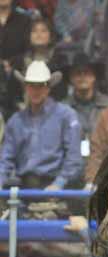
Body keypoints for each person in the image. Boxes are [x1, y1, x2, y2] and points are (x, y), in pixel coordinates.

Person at [0, 61, 82, 214]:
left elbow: (74, 159)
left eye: (41, 85)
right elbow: (5, 159)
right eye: (31, 85)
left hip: (56, 190)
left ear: (48, 87)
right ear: (25, 87)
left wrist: (58, 184)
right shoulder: (15, 121)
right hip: (22, 190)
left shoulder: (66, 116)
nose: (36, 90)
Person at [65, 52, 108, 161]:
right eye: (78, 73)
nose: (82, 77)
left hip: (102, 162)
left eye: (86, 73)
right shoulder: (63, 109)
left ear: (94, 77)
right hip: (72, 163)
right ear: (71, 78)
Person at [11, 16, 69, 103]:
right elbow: (13, 92)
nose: (38, 34)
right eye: (34, 31)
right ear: (29, 35)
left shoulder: (60, 60)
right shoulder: (19, 61)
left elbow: (63, 92)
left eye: (43, 31)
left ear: (51, 36)